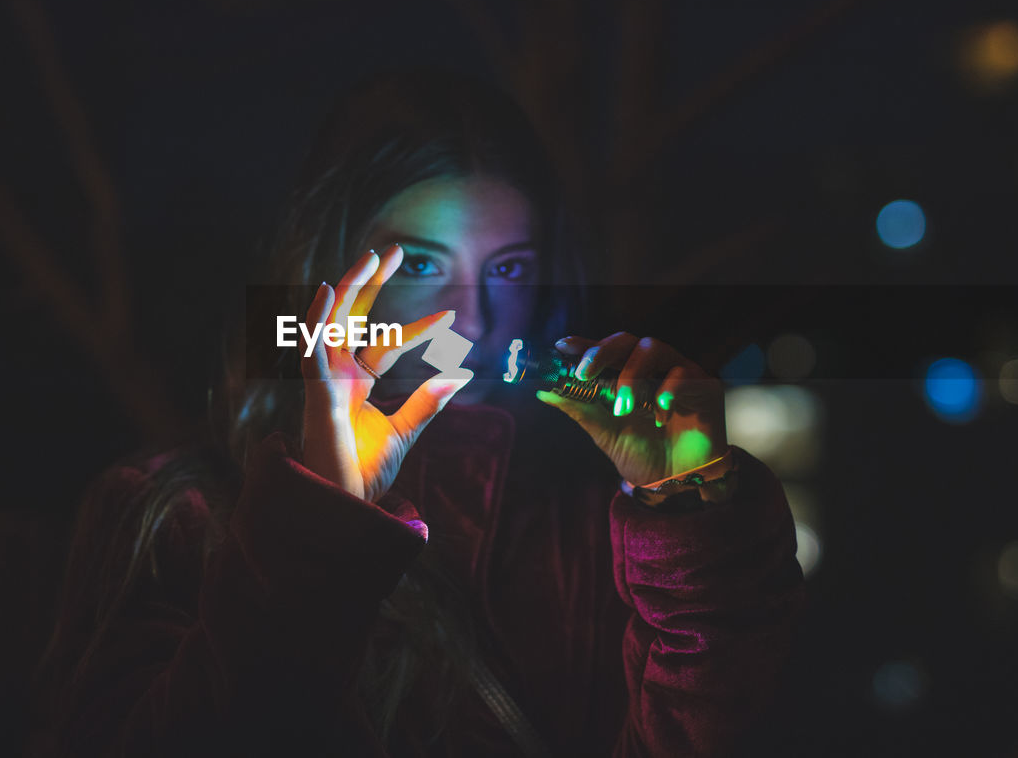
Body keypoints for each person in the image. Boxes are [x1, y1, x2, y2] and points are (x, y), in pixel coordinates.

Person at [40, 70, 805, 756]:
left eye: (509, 267)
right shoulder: (176, 514)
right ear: (328, 271)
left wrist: (695, 519)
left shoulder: (613, 527)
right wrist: (320, 514)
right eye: (423, 263)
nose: (474, 317)